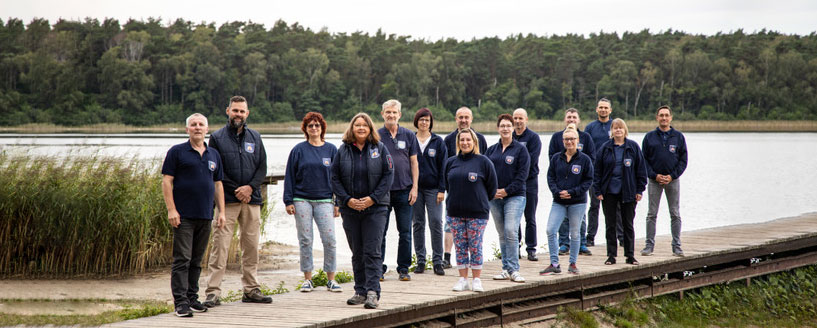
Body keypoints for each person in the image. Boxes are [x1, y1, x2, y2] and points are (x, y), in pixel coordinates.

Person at [204, 96, 271, 307]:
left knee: (251, 247)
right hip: (227, 202)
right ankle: (213, 292)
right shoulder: (216, 138)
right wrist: (237, 189)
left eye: (242, 111)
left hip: (252, 201)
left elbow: (262, 167)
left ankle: (251, 290)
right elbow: (215, 169)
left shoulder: (256, 137)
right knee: (220, 247)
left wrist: (250, 187)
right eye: (235, 111)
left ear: (247, 114)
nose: (238, 115)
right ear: (228, 111)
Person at [161, 113, 226, 317]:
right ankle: (180, 303)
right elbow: (166, 181)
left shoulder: (213, 154)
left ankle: (192, 298)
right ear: (187, 129)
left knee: (197, 260)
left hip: (205, 215)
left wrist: (221, 211)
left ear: (207, 129)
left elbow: (218, 184)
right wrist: (171, 209)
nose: (197, 128)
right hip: (183, 216)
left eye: (201, 125)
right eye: (193, 125)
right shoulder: (177, 152)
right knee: (183, 259)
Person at [331, 113, 394, 309]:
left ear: (370, 129)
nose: (360, 128)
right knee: (357, 251)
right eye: (357, 125)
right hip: (350, 209)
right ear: (352, 128)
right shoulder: (342, 151)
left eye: (364, 125)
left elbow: (388, 175)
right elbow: (334, 178)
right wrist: (347, 200)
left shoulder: (380, 149)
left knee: (372, 251)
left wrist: (372, 199)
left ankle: (373, 292)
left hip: (375, 208)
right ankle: (360, 291)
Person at [283, 112, 343, 293]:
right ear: (306, 129)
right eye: (310, 126)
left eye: (317, 125)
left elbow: (338, 177)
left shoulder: (332, 150)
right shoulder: (298, 150)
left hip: (325, 200)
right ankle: (308, 279)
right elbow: (290, 177)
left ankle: (331, 279)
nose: (314, 128)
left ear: (322, 128)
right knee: (306, 240)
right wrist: (288, 200)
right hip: (301, 200)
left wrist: (338, 201)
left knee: (330, 240)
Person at [444, 128, 498, 293]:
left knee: (475, 246)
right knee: (460, 246)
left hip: (477, 214)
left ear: (474, 142)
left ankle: (476, 280)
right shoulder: (451, 162)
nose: (465, 143)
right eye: (462, 140)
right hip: (455, 213)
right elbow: (447, 185)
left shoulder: (483, 162)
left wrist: (478, 200)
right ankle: (463, 279)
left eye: (468, 140)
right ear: (458, 143)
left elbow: (492, 187)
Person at [540, 124, 594, 275]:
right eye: (566, 139)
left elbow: (588, 181)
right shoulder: (557, 158)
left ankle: (573, 263)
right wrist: (557, 192)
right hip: (559, 201)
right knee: (551, 229)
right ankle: (554, 263)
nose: (569, 142)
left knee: (575, 233)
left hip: (577, 202)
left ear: (577, 140)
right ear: (562, 141)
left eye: (572, 139)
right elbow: (550, 177)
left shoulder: (585, 159)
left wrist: (572, 192)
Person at [593, 119, 647, 266]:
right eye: (615, 128)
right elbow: (597, 171)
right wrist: (598, 190)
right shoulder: (605, 148)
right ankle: (611, 255)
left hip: (628, 191)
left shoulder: (633, 147)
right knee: (610, 224)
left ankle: (630, 255)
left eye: (620, 128)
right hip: (609, 191)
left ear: (625, 130)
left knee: (628, 224)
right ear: (611, 130)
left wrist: (640, 189)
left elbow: (641, 170)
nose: (618, 131)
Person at [377, 99, 419, 282]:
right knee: (380, 232)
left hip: (405, 190)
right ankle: (379, 268)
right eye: (388, 112)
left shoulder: (409, 135)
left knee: (405, 232)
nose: (391, 115)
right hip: (383, 193)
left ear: (400, 115)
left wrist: (415, 187)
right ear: (382, 114)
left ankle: (403, 268)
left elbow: (414, 163)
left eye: (394, 112)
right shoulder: (376, 135)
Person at [486, 114, 530, 283]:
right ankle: (505, 268)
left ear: (513, 128)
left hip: (515, 197)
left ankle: (514, 269)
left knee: (511, 231)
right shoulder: (491, 150)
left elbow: (522, 176)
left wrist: (505, 191)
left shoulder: (520, 150)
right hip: (494, 198)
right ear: (498, 129)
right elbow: (486, 174)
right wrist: (492, 191)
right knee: (502, 234)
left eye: (508, 126)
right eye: (502, 126)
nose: (505, 128)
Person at [443, 106, 488, 268]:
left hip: (476, 194)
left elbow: (487, 169)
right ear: (456, 119)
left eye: (466, 117)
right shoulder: (448, 140)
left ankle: (475, 262)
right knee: (449, 225)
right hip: (454, 192)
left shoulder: (480, 139)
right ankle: (446, 257)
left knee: (474, 232)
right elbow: (445, 168)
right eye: (460, 117)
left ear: (471, 119)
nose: (463, 120)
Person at [641, 106, 688, 257]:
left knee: (675, 213)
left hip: (672, 180)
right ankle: (649, 246)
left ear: (671, 118)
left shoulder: (678, 137)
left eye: (666, 115)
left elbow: (683, 160)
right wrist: (654, 175)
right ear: (657, 117)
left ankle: (676, 246)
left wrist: (672, 176)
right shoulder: (649, 137)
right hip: (654, 181)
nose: (664, 118)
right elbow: (644, 161)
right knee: (651, 214)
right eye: (661, 115)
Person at [548, 108, 595, 256]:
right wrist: (558, 187)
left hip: (579, 187)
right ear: (565, 119)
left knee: (580, 219)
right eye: (569, 117)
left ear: (579, 120)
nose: (571, 120)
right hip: (561, 185)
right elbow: (552, 159)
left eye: (574, 117)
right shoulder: (556, 137)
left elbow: (591, 160)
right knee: (561, 219)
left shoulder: (586, 137)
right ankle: (563, 243)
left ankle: (581, 243)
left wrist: (576, 186)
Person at [411, 108, 448, 276]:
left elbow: (443, 168)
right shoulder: (411, 139)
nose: (424, 123)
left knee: (435, 222)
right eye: (421, 120)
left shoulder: (438, 142)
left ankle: (438, 262)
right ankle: (420, 261)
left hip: (434, 190)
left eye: (427, 120)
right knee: (418, 224)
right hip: (415, 189)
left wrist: (442, 189)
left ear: (431, 122)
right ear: (416, 121)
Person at [583, 98, 621, 247]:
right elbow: (583, 149)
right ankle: (590, 237)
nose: (603, 110)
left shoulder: (615, 126)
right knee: (594, 205)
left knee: (616, 206)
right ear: (596, 109)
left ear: (610, 110)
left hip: (613, 173)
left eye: (606, 107)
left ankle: (621, 236)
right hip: (594, 173)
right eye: (601, 107)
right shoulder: (590, 127)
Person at [512, 108, 542, 261]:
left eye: (520, 118)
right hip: (513, 184)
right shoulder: (509, 136)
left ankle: (531, 249)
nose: (517, 121)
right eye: (515, 118)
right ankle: (515, 248)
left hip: (530, 182)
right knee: (514, 217)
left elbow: (530, 160)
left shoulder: (533, 138)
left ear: (526, 119)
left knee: (530, 217)